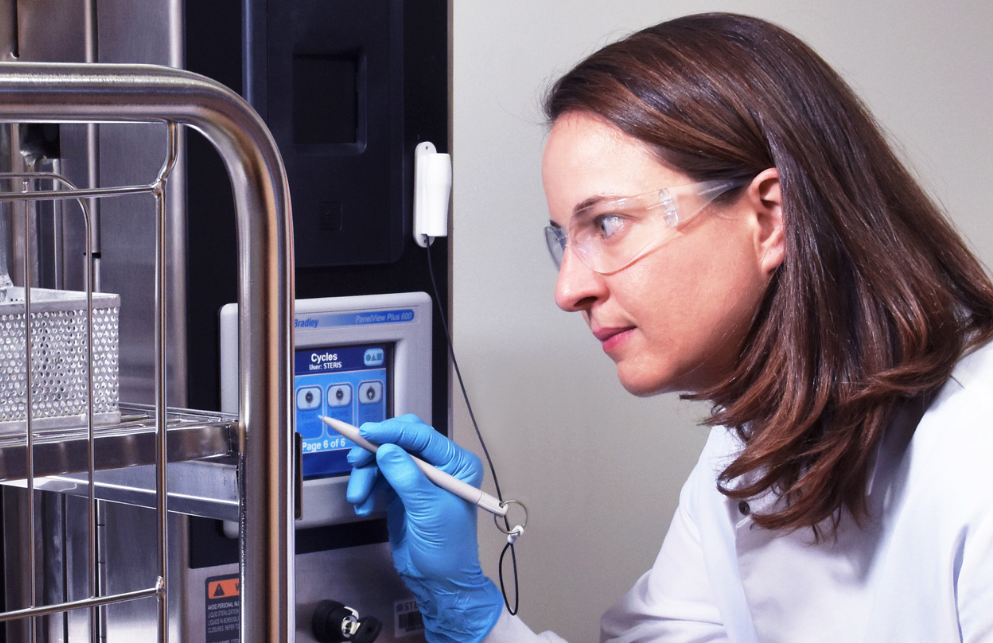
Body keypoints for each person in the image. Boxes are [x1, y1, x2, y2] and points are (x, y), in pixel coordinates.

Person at [346, 12, 993, 643]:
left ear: (769, 219)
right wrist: (470, 613)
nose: (568, 289)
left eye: (604, 224)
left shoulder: (975, 453)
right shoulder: (754, 444)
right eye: (563, 239)